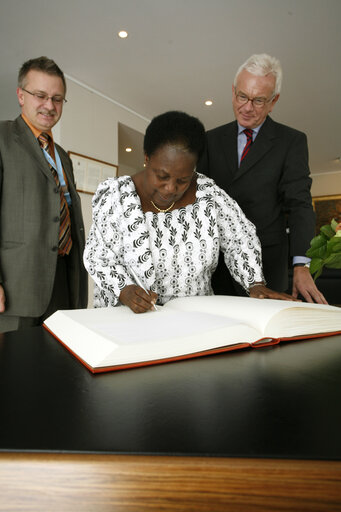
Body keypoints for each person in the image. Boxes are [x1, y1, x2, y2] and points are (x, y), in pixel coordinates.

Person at [84, 111, 296, 313]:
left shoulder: (209, 194)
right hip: (131, 320)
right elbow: (97, 257)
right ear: (147, 158)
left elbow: (240, 237)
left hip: (196, 318)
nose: (170, 189)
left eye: (182, 180)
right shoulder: (115, 196)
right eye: (162, 176)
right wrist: (124, 290)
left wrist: (254, 283)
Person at [197, 53, 327, 304]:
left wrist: (301, 265)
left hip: (266, 262)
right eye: (242, 96)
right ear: (233, 91)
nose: (247, 107)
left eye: (258, 100)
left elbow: (299, 204)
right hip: (215, 263)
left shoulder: (291, 141)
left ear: (273, 101)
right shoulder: (209, 140)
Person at [0, 56, 88, 333]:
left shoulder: (61, 155)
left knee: (56, 369)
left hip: (64, 281)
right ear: (21, 95)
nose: (49, 105)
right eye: (40, 95)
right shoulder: (2, 138)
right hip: (17, 288)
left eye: (57, 98)